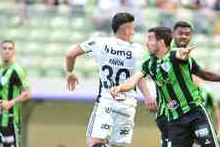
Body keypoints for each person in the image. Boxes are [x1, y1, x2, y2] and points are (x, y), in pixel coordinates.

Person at [111, 26, 220, 147]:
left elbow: (205, 75)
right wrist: (119, 88)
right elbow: (133, 81)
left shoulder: (175, 55)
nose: (146, 42)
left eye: (150, 39)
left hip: (195, 112)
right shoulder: (148, 64)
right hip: (175, 119)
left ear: (160, 42)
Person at [65, 12, 156, 147]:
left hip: (106, 101)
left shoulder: (99, 42)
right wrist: (148, 96)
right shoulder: (137, 50)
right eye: (132, 28)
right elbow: (139, 76)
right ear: (126, 30)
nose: (134, 32)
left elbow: (70, 54)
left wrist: (70, 72)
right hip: (128, 105)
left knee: (94, 143)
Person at [0, 40, 31, 147]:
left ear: (13, 52)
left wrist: (10, 103)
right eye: (4, 48)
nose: (7, 51)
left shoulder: (17, 71)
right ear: (0, 51)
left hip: (9, 122)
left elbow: (27, 93)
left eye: (10, 49)